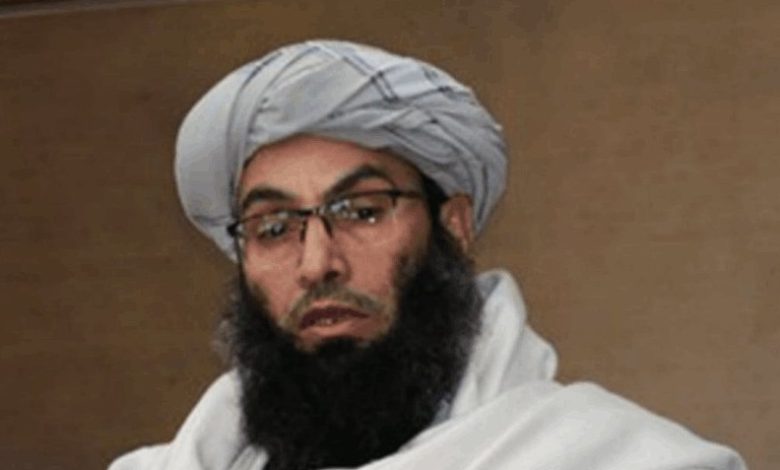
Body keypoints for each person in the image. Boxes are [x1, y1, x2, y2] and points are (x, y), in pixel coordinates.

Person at [109, 40, 747, 470]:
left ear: (453, 225)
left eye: (362, 211)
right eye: (274, 227)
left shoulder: (615, 457)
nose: (317, 263)